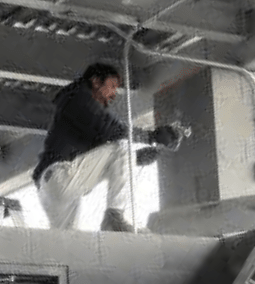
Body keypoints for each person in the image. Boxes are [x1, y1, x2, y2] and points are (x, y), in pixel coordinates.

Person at [32, 62, 181, 232]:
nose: (114, 94)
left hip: (50, 188)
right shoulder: (78, 97)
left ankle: (112, 223)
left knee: (68, 241)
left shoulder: (80, 115)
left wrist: (139, 157)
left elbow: (101, 157)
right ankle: (114, 217)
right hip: (60, 175)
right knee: (121, 145)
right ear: (96, 81)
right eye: (112, 86)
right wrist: (151, 136)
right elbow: (112, 130)